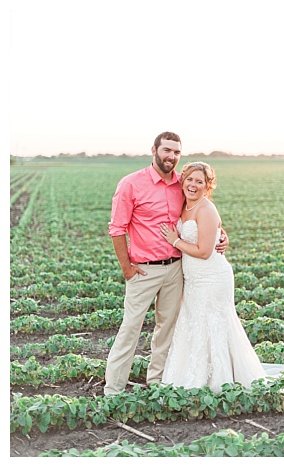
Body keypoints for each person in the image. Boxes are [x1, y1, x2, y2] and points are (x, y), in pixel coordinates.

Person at [158, 162, 284, 392]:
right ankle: (194, 375)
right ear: (182, 180)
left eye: (200, 181)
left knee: (214, 324)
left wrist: (174, 241)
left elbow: (205, 252)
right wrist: (222, 235)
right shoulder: (185, 206)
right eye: (190, 180)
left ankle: (220, 379)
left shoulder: (206, 208)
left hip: (212, 277)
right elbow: (215, 233)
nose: (193, 185)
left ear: (208, 186)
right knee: (194, 323)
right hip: (194, 278)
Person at [105, 132, 228, 396]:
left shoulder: (181, 185)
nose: (171, 156)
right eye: (167, 150)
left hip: (176, 268)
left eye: (176, 152)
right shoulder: (131, 184)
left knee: (167, 328)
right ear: (154, 150)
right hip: (143, 269)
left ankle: (157, 381)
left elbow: (201, 211)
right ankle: (113, 389)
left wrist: (221, 234)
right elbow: (117, 229)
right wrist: (126, 268)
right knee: (130, 328)